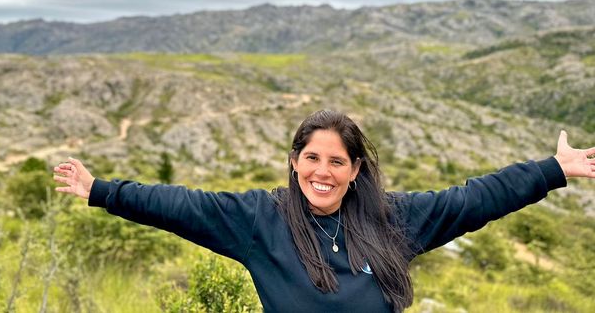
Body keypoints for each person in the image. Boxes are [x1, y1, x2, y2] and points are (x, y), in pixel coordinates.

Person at [53, 110, 595, 312]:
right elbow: (179, 205)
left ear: (355, 169)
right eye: (312, 158)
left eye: (337, 161)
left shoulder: (394, 219)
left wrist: (553, 169)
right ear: (295, 162)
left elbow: (474, 198)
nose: (323, 172)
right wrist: (100, 190)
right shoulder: (258, 220)